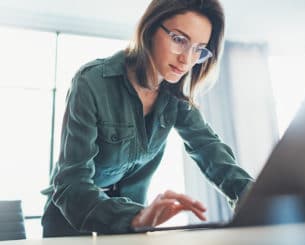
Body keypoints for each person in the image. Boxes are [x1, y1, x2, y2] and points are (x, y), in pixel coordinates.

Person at [41, 0, 254, 237]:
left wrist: (256, 199)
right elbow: (70, 182)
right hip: (71, 218)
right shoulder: (92, 82)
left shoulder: (176, 98)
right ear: (150, 29)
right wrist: (135, 217)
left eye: (198, 49)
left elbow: (210, 151)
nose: (187, 60)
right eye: (179, 40)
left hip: (131, 223)